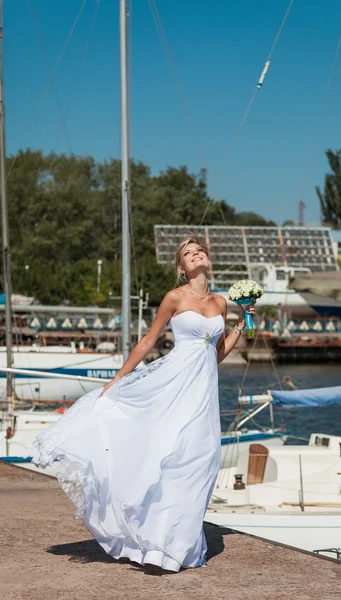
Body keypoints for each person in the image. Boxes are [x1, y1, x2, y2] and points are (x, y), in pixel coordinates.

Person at [32, 236, 255, 573]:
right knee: (165, 452)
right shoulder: (174, 297)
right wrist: (119, 378)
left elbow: (217, 353)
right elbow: (149, 341)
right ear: (181, 268)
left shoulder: (221, 303)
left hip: (202, 391)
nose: (196, 254)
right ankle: (155, 543)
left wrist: (241, 324)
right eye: (187, 253)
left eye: (199, 250)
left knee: (200, 460)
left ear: (207, 260)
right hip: (171, 383)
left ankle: (177, 545)